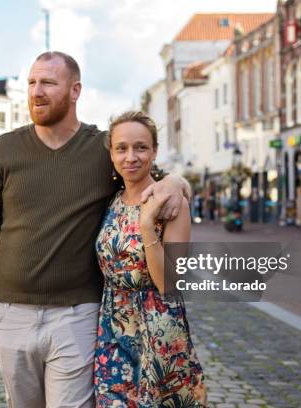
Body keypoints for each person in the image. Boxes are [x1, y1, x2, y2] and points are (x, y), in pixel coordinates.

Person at [0, 51, 189, 408]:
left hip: (77, 312)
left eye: (47, 82)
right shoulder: (3, 149)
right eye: (32, 82)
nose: (36, 91)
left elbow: (147, 174)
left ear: (75, 90)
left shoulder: (103, 148)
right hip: (10, 309)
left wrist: (176, 180)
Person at [94, 111, 205, 406]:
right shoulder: (112, 201)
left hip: (158, 328)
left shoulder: (172, 204)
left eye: (141, 147)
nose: (131, 156)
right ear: (112, 154)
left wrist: (146, 226)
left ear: (154, 151)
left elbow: (168, 282)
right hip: (113, 328)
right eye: (122, 148)